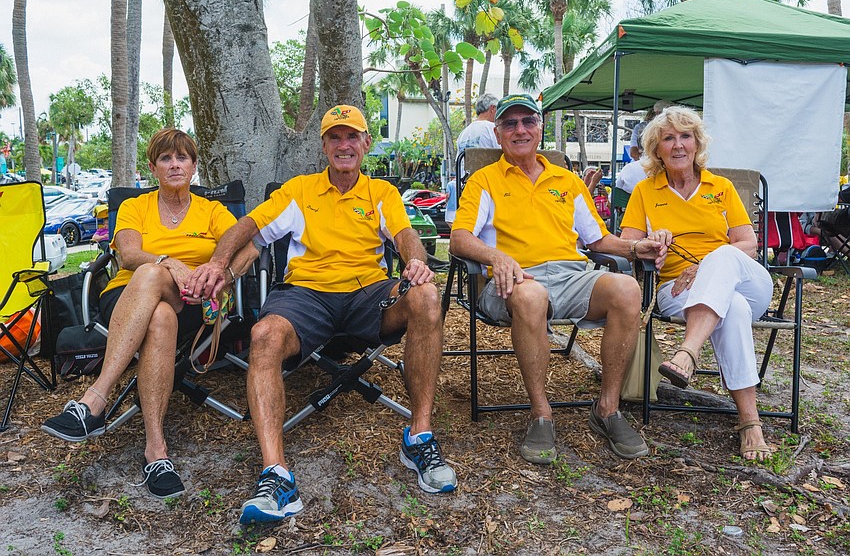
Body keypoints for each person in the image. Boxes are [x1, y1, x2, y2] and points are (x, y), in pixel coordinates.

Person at [185, 105, 456, 525]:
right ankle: (276, 476)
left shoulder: (380, 193)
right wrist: (220, 266)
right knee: (264, 334)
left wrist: (415, 263)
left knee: (425, 296)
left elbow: (406, 237)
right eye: (335, 137)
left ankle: (418, 437)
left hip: (368, 294)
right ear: (324, 145)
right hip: (306, 296)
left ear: (366, 144)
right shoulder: (299, 190)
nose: (344, 145)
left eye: (352, 137)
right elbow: (248, 229)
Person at [449, 93, 667, 464]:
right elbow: (459, 237)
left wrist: (635, 249)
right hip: (514, 280)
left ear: (540, 129)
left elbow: (598, 239)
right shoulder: (484, 180)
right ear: (499, 134)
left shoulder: (566, 181)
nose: (520, 130)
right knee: (531, 296)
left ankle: (607, 409)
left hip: (571, 274)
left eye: (528, 121)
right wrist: (496, 257)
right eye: (510, 124)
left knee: (627, 288)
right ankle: (541, 413)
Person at [41, 129, 258, 498]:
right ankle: (156, 451)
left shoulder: (212, 211)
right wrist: (169, 262)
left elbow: (249, 250)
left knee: (157, 284)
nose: (175, 165)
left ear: (193, 166)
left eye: (182, 158)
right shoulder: (135, 207)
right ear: (153, 167)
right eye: (166, 159)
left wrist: (221, 273)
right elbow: (127, 255)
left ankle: (94, 402)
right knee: (156, 302)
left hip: (195, 302)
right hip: (127, 297)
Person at [620, 106, 776, 461]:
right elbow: (630, 246)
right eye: (668, 138)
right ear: (656, 149)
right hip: (677, 289)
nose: (678, 145)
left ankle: (687, 351)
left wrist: (704, 265)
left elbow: (748, 245)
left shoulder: (720, 187)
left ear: (697, 143)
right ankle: (750, 423)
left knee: (723, 257)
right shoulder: (645, 192)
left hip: (746, 283)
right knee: (730, 308)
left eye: (685, 136)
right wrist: (652, 242)